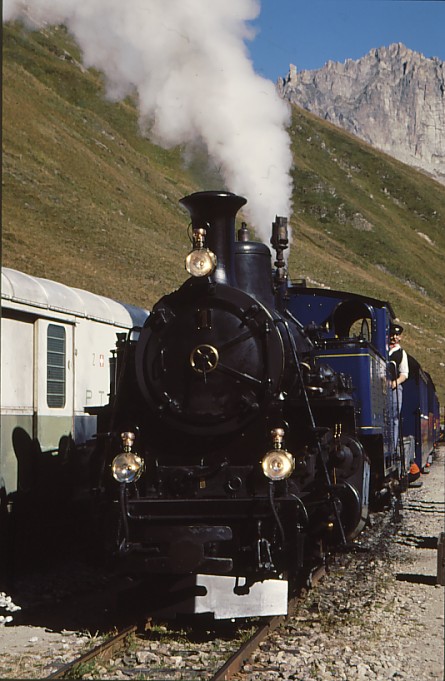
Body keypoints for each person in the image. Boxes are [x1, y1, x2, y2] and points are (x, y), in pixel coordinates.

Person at [389, 322, 409, 451]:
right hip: (379, 387)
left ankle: (393, 446)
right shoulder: (381, 348)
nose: (394, 337)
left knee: (394, 417)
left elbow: (404, 374)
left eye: (397, 335)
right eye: (392, 334)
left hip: (394, 388)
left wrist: (394, 383)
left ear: (400, 337)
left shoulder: (401, 353)